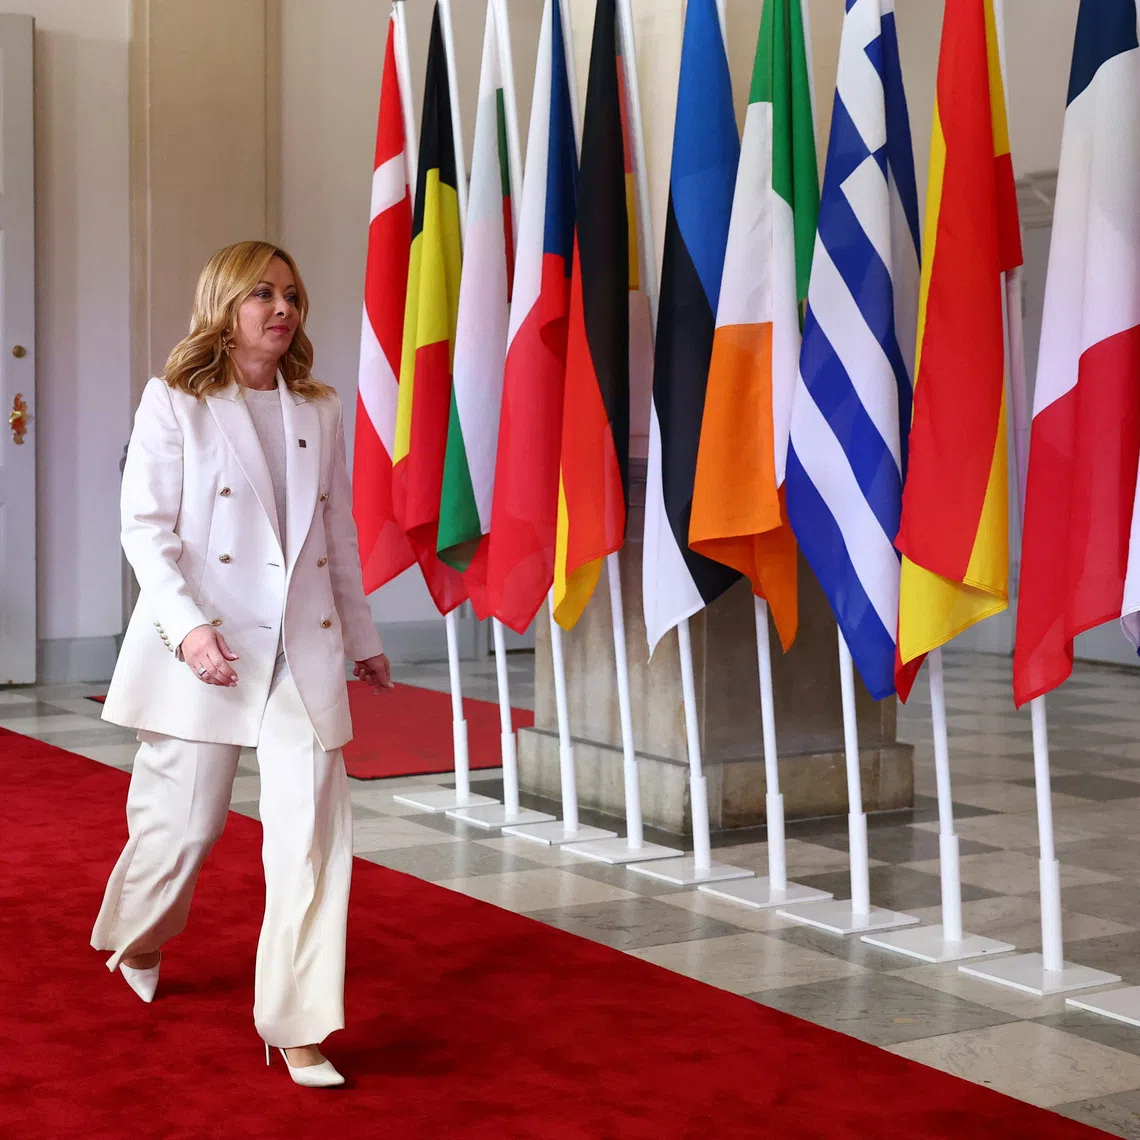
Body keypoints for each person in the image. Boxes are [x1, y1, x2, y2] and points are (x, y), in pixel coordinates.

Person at [92, 240, 393, 1088]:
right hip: (208, 649)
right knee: (185, 828)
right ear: (224, 307)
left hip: (302, 648)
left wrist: (363, 636)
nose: (281, 307)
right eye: (261, 293)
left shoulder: (319, 408)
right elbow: (145, 531)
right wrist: (188, 630)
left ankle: (297, 1025)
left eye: (290, 293)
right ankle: (139, 934)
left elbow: (334, 534)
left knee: (310, 837)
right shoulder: (175, 401)